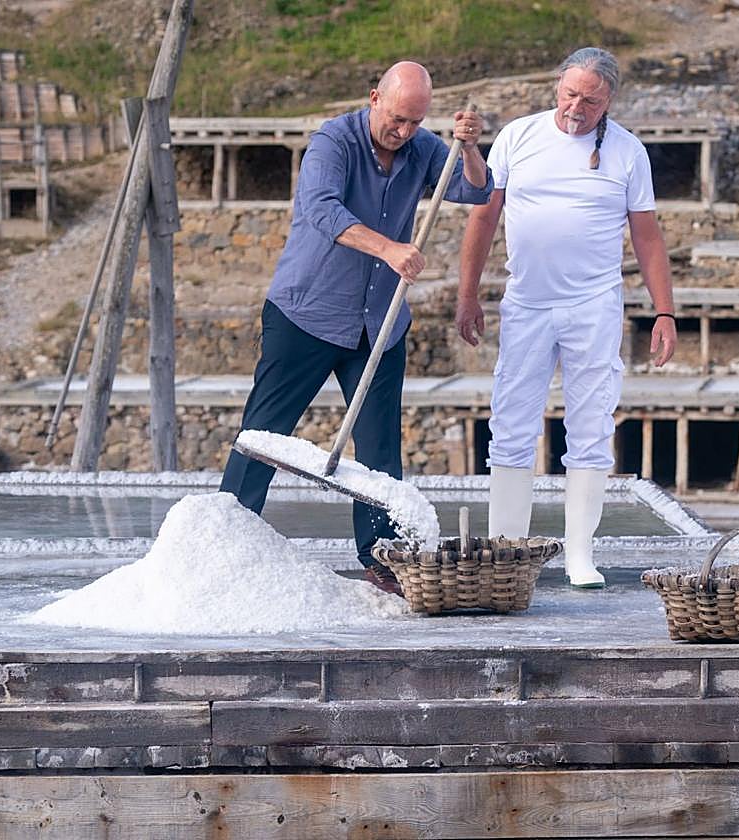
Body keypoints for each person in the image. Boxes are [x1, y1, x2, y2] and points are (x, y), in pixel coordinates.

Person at [220, 61, 492, 594]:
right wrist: (389, 248)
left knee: (380, 450)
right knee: (263, 433)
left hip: (380, 323)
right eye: (397, 119)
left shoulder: (423, 146)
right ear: (374, 98)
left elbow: (474, 192)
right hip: (308, 314)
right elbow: (321, 209)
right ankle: (227, 540)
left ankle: (381, 558)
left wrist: (471, 147)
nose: (405, 132)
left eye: (416, 122)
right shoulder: (333, 141)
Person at [456, 47, 677, 589]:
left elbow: (647, 236)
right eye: (571, 94)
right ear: (558, 87)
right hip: (527, 302)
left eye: (592, 100)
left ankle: (580, 553)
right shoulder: (517, 136)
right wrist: (467, 295)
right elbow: (484, 218)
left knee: (591, 427)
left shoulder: (628, 152)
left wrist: (665, 311)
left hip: (594, 306)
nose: (578, 107)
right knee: (510, 423)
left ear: (609, 102)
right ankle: (507, 549)